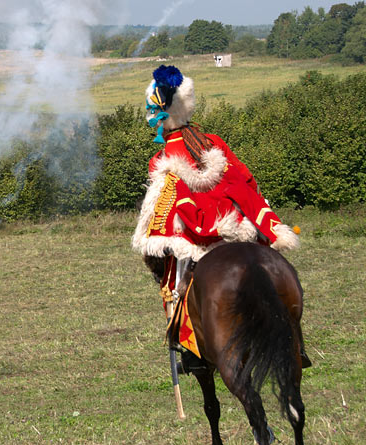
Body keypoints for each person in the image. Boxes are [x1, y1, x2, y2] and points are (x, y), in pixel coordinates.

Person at [131, 65, 309, 369]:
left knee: (175, 286)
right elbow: (246, 180)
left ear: (160, 115)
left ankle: (190, 351)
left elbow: (162, 210)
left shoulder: (161, 159)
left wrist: (155, 237)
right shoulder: (213, 141)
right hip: (236, 226)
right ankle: (296, 344)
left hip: (196, 238)